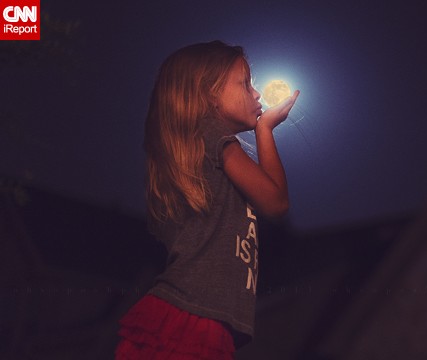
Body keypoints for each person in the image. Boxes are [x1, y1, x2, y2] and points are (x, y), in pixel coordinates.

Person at [115, 40, 299, 359]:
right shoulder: (214, 138)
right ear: (209, 93)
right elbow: (276, 202)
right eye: (245, 83)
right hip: (192, 317)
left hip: (193, 317)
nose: (256, 94)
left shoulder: (203, 145)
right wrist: (265, 130)